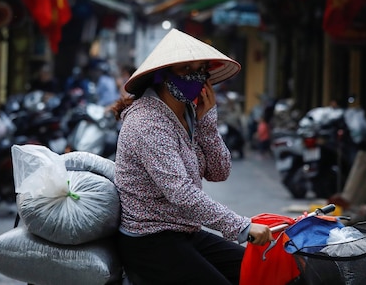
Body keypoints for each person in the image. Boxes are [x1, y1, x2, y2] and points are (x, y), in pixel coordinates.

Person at [111, 29, 273, 285]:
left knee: (258, 271)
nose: (194, 78)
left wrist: (207, 123)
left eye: (200, 70)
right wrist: (241, 227)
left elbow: (220, 172)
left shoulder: (188, 114)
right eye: (185, 69)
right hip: (149, 239)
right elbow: (181, 193)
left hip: (186, 232)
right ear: (162, 76)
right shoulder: (147, 121)